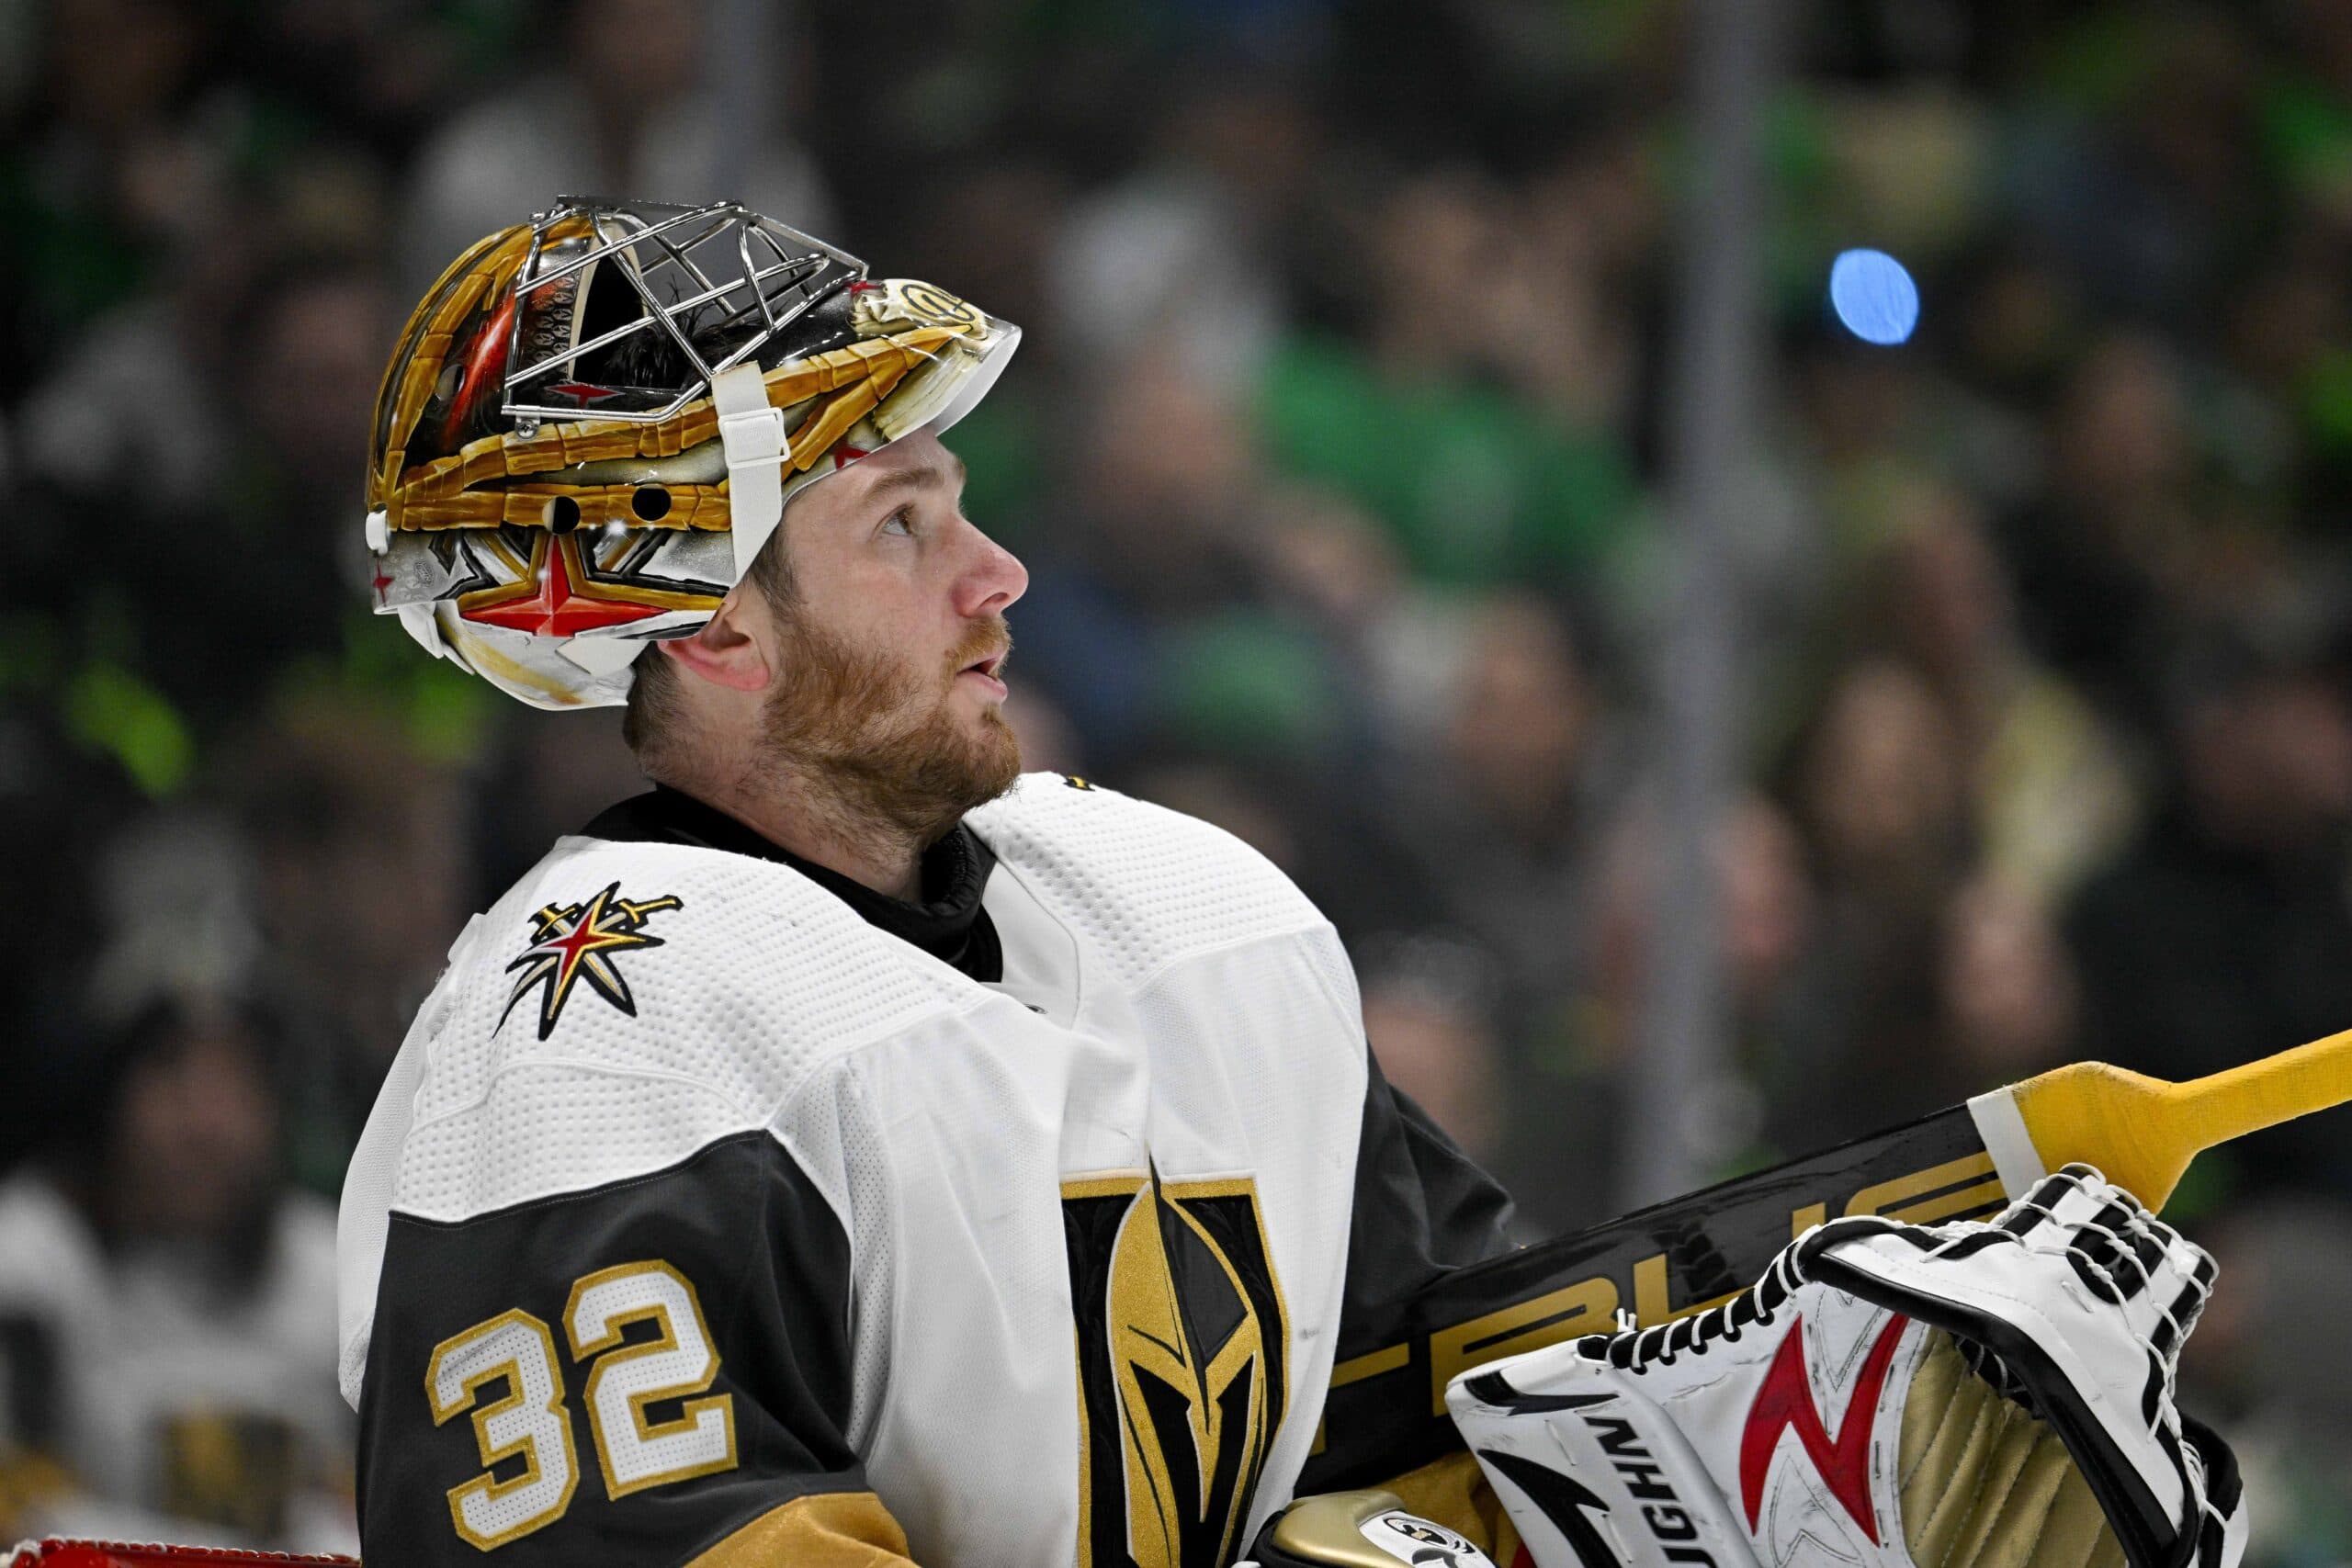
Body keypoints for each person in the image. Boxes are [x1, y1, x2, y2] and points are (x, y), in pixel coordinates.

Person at [338, 198, 2243, 1568]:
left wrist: (1815, 1425)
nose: (995, 570)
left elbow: (1444, 1403)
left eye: (963, 498)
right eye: (900, 526)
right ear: (716, 630)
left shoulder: (1179, 914)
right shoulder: (585, 1054)